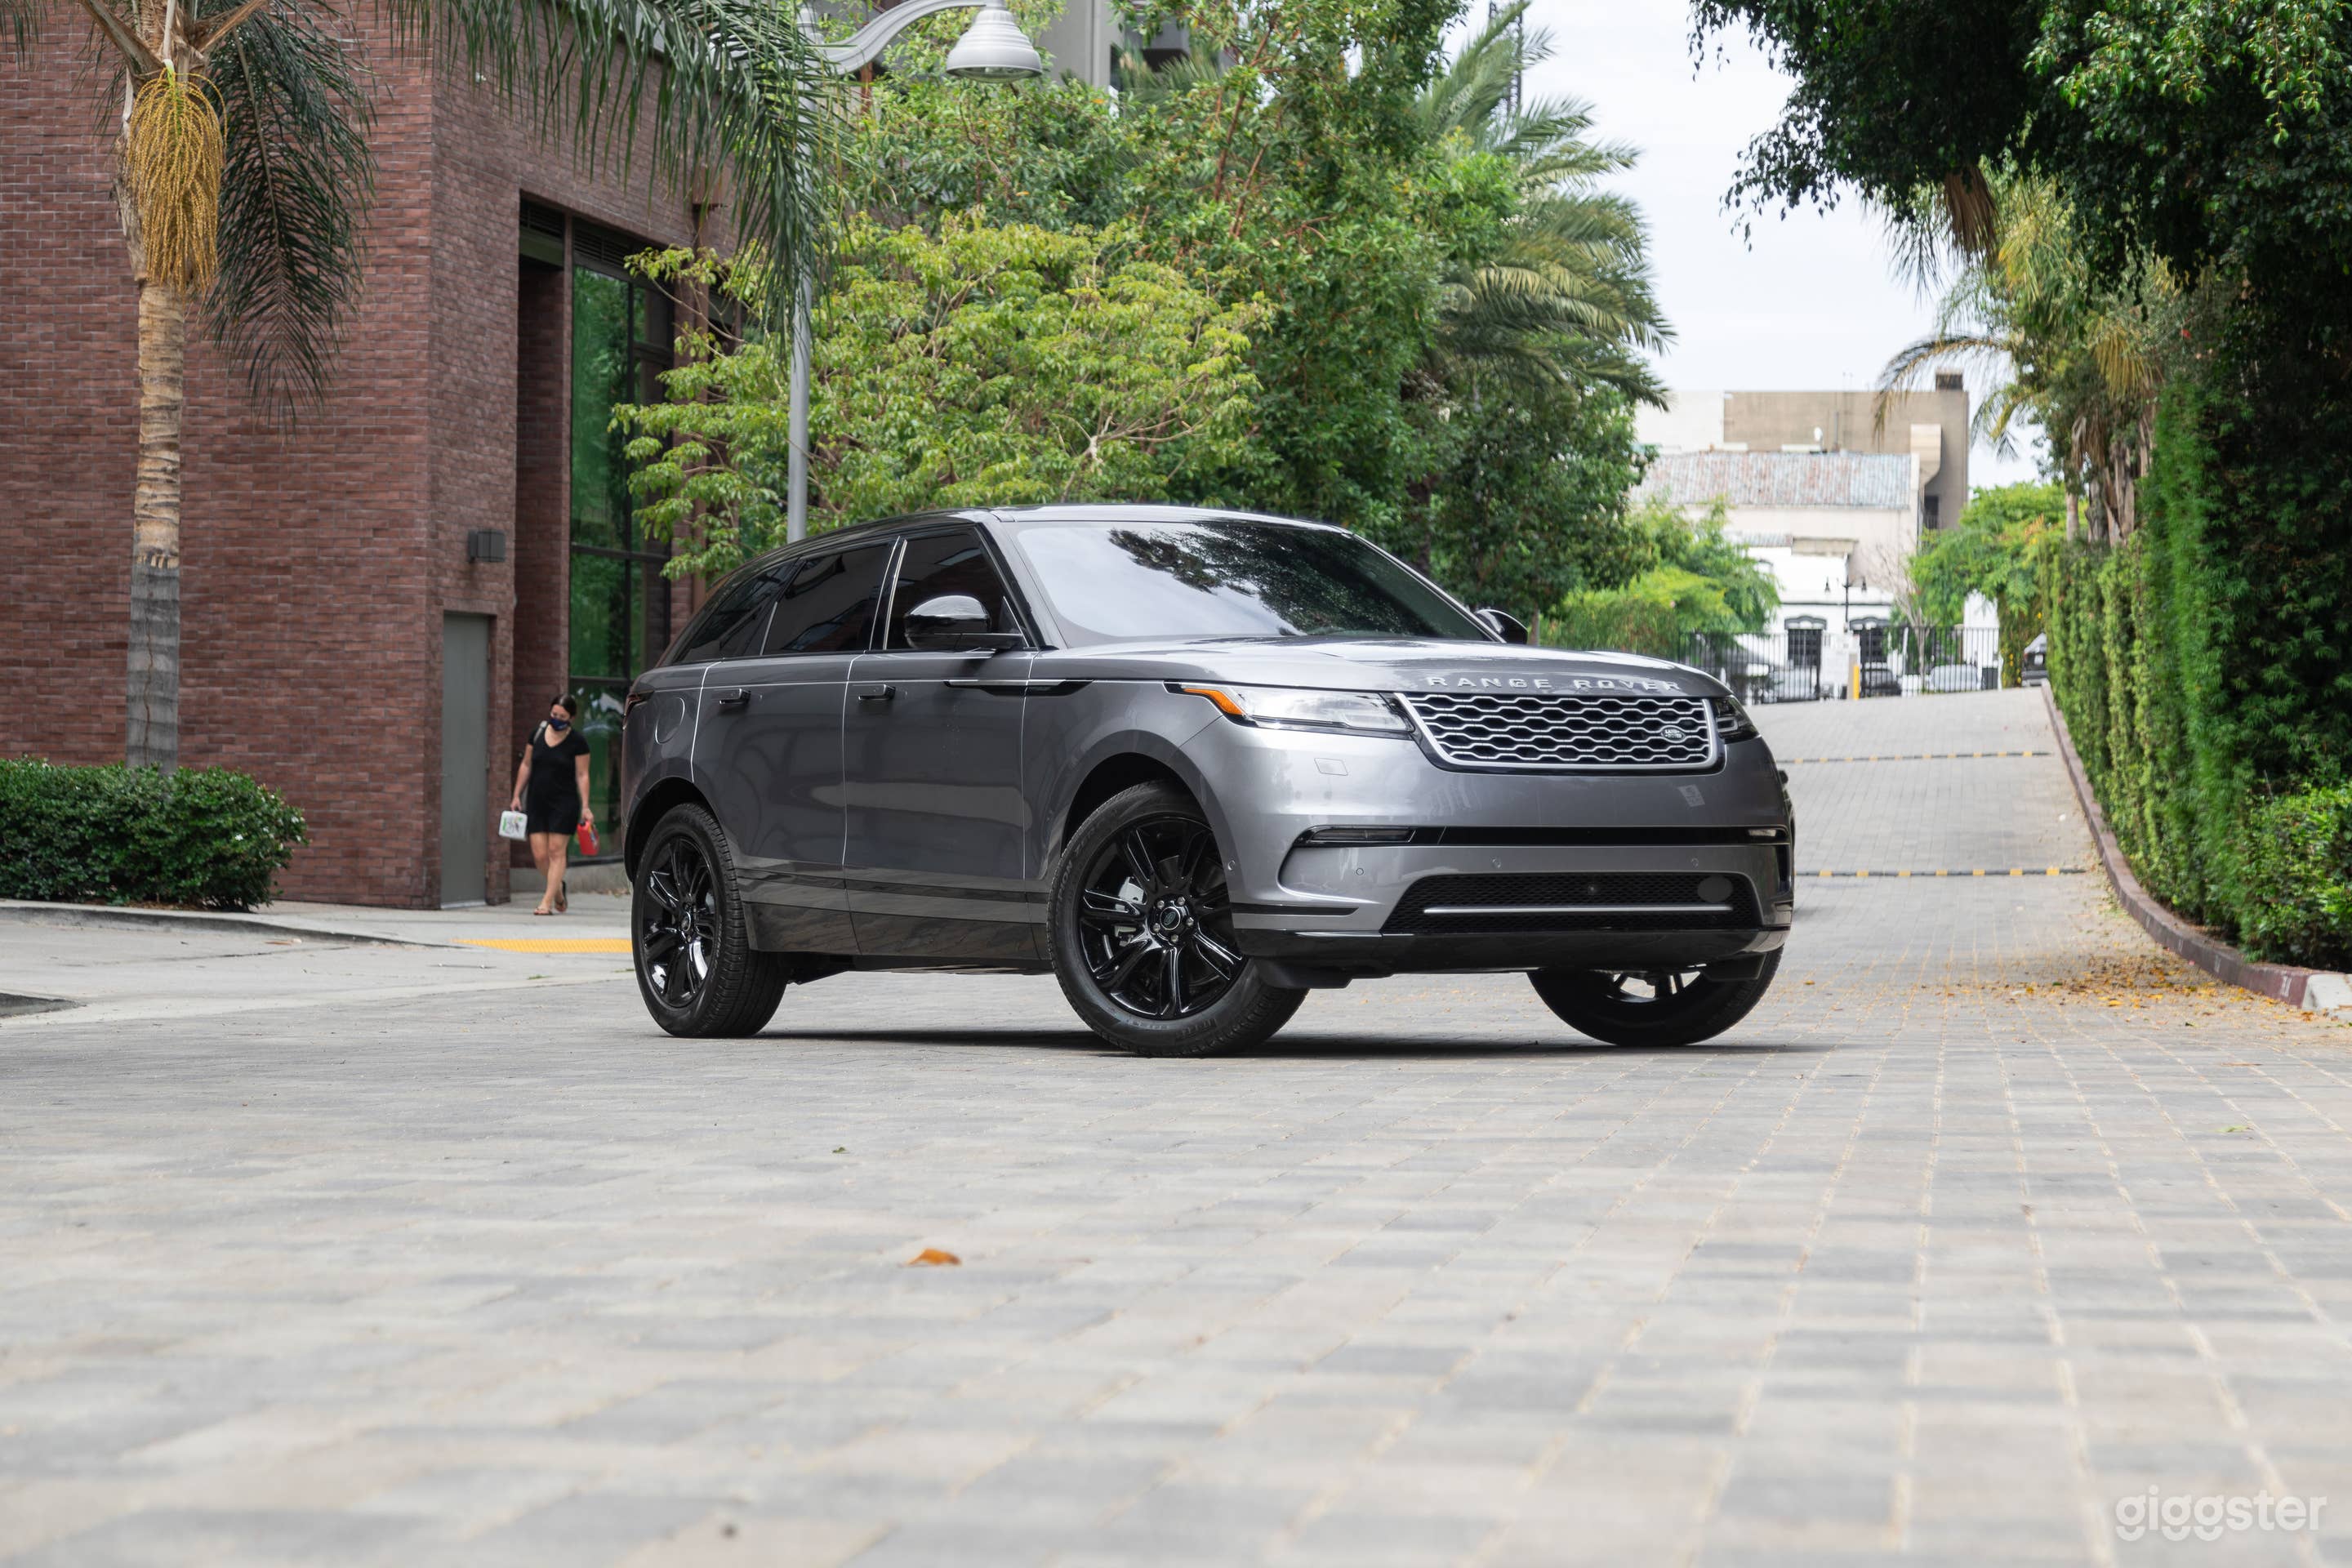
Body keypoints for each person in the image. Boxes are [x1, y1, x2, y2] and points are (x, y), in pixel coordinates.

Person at [508, 694, 595, 916]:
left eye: (562, 716)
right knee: (539, 855)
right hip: (537, 800)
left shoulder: (578, 742)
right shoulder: (536, 735)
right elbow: (526, 765)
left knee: (556, 851)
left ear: (571, 718)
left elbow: (583, 775)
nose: (556, 719)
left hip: (564, 803)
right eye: (554, 715)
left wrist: (586, 806)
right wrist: (517, 794)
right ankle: (557, 891)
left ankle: (546, 902)